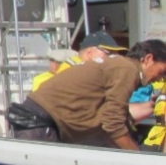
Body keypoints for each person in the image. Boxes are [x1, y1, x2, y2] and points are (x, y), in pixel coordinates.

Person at [9, 39, 166, 150]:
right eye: (162, 71)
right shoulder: (127, 69)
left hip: (39, 120)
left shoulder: (116, 66)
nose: (161, 78)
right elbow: (113, 124)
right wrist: (138, 157)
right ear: (148, 59)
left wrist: (152, 106)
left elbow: (114, 121)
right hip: (41, 123)